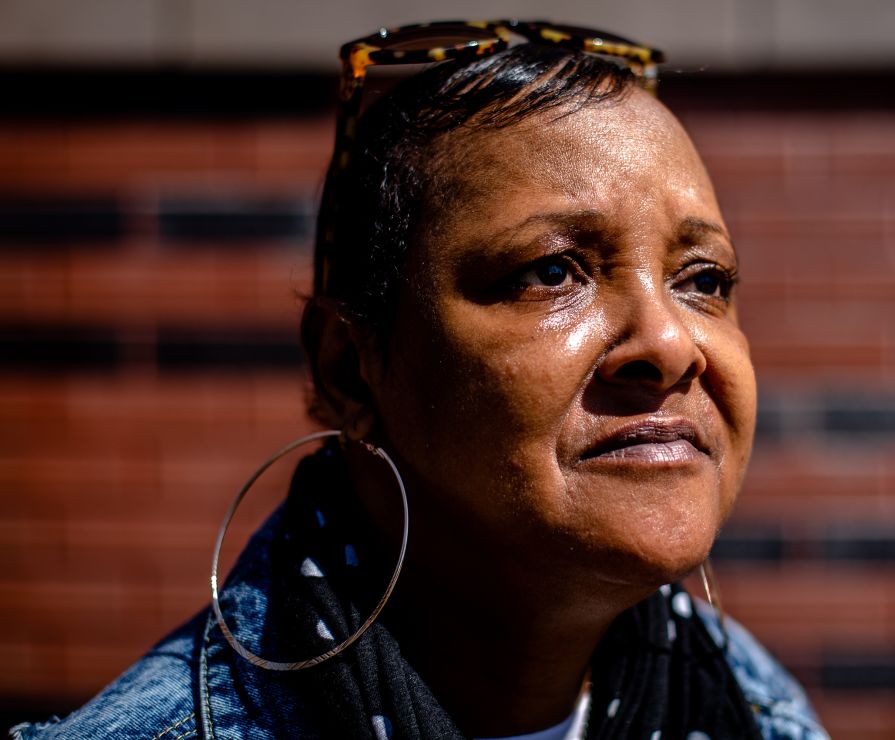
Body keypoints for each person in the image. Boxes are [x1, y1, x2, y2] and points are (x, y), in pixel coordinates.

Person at [10, 21, 829, 740]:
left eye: (704, 280)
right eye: (551, 271)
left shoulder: (756, 711)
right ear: (348, 369)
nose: (670, 343)